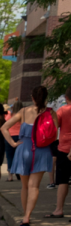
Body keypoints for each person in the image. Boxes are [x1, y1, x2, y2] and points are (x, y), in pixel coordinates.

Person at [5, 85, 56, 226]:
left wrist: (13, 143)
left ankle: (24, 215)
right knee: (34, 186)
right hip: (42, 150)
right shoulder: (51, 113)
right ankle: (28, 215)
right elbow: (54, 134)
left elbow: (4, 127)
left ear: (32, 98)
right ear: (46, 98)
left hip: (24, 148)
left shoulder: (23, 111)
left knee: (25, 186)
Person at [48, 85, 71, 218]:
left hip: (64, 148)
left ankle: (59, 209)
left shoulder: (62, 110)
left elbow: (54, 126)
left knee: (62, 180)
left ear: (66, 98)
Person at [4, 101, 21, 181]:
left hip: (9, 136)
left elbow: (5, 123)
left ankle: (10, 176)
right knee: (19, 156)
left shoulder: (9, 115)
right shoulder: (23, 116)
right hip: (20, 137)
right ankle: (19, 173)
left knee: (9, 156)